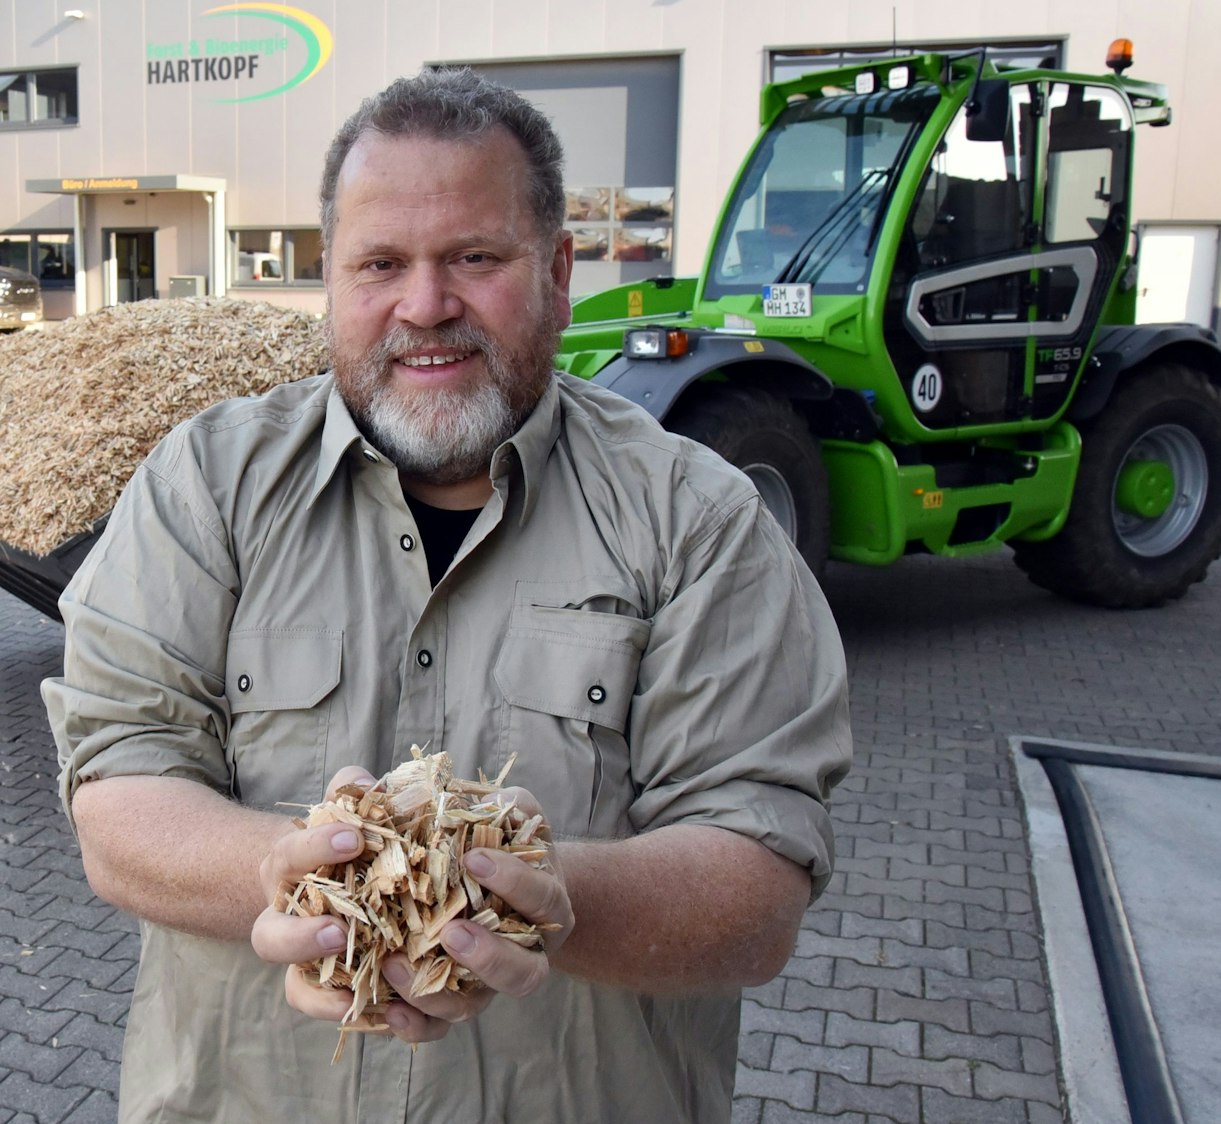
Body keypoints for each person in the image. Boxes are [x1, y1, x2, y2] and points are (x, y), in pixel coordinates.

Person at [42, 68, 852, 1123]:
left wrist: (551, 903)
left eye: (475, 257)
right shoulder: (207, 485)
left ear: (558, 271)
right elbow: (118, 794)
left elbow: (756, 886)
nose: (425, 306)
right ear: (329, 278)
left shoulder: (697, 521)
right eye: (380, 263)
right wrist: (299, 875)